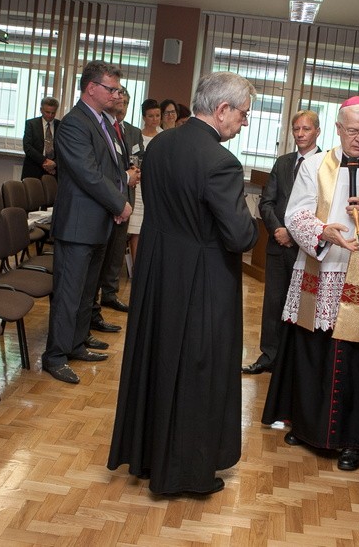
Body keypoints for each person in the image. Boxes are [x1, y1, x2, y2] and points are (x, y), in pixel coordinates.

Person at [108, 71, 258, 496]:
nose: (243, 124)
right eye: (242, 115)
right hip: (202, 280)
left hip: (157, 273)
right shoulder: (221, 162)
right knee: (198, 372)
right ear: (222, 109)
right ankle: (186, 474)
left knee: (158, 361)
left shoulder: (160, 146)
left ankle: (151, 455)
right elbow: (240, 235)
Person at [261, 96, 359, 472]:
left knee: (357, 361)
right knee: (312, 350)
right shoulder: (313, 165)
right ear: (338, 129)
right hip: (320, 267)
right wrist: (324, 231)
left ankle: (355, 439)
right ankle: (309, 427)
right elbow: (295, 213)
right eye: (352, 130)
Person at [41, 61, 134, 384]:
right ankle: (54, 355)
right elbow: (88, 174)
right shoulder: (74, 124)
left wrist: (118, 200)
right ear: (91, 88)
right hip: (79, 223)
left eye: (118, 89)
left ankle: (76, 344)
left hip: (97, 222)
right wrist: (119, 203)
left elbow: (109, 170)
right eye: (111, 89)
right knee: (69, 292)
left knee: (86, 292)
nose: (116, 94)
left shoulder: (102, 122)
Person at [242, 110, 321, 375]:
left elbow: (324, 209)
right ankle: (269, 356)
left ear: (317, 132)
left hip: (307, 249)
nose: (300, 134)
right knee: (274, 302)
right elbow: (267, 202)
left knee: (303, 304)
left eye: (306, 129)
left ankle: (296, 363)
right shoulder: (283, 162)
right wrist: (278, 230)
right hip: (278, 246)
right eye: (296, 129)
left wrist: (295, 233)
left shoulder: (327, 166)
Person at [95, 88, 142, 314]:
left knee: (116, 251)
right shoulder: (102, 128)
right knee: (101, 253)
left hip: (126, 197)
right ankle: (95, 299)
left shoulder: (132, 132)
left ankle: (110, 293)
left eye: (124, 103)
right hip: (105, 200)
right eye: (118, 101)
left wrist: (135, 170)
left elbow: (139, 157)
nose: (120, 106)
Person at [126, 98, 162, 260]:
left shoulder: (165, 136)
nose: (155, 119)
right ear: (144, 117)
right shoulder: (136, 136)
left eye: (157, 115)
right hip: (139, 186)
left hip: (157, 187)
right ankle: (135, 269)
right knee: (136, 229)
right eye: (151, 116)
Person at [21, 96, 60, 179]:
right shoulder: (31, 124)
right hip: (33, 168)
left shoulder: (60, 126)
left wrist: (54, 163)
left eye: (53, 113)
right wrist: (45, 161)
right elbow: (27, 147)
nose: (50, 115)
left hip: (54, 171)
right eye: (47, 112)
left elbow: (64, 149)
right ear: (41, 110)